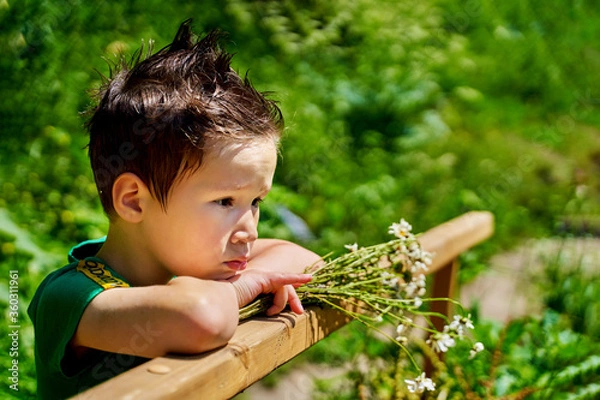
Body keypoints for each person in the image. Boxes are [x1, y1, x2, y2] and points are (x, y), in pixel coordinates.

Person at [28, 20, 321, 399]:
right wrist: (248, 286)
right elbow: (202, 319)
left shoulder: (186, 265)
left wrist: (239, 284)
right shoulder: (71, 295)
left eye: (255, 202)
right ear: (134, 199)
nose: (249, 230)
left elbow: (303, 258)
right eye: (225, 202)